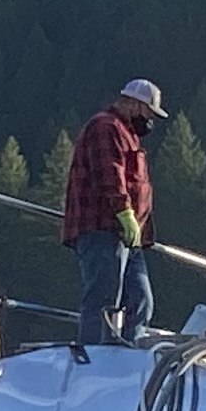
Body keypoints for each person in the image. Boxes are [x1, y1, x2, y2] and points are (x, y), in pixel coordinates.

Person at [61, 77, 164, 344]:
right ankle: (94, 354)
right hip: (102, 229)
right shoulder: (105, 127)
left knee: (141, 299)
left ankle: (128, 351)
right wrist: (124, 212)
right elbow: (110, 174)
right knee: (103, 300)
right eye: (148, 112)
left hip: (128, 236)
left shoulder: (126, 133)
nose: (149, 120)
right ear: (134, 104)